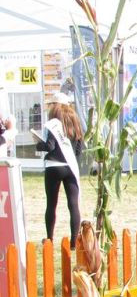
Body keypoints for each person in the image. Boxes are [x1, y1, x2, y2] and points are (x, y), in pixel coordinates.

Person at [37, 93, 84, 249]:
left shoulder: (53, 123)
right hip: (70, 167)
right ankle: (73, 243)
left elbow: (49, 146)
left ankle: (50, 238)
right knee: (73, 204)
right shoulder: (75, 121)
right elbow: (79, 148)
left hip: (54, 166)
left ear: (56, 106)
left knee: (51, 204)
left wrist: (39, 145)